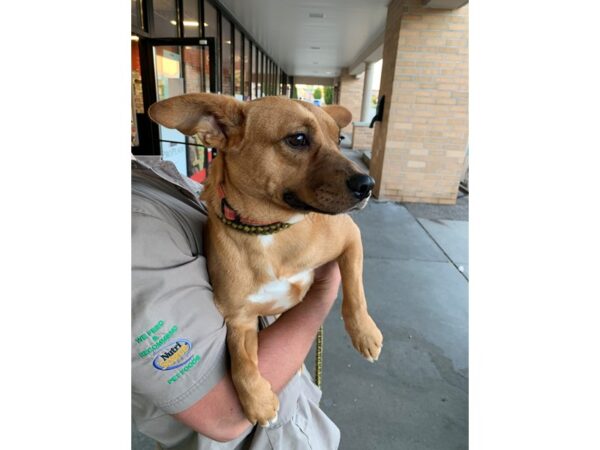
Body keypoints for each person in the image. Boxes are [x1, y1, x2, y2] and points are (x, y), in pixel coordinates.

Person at [132, 156, 341, 449]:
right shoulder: (135, 228)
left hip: (293, 415)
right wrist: (324, 288)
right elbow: (223, 413)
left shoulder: (145, 172)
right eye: (296, 141)